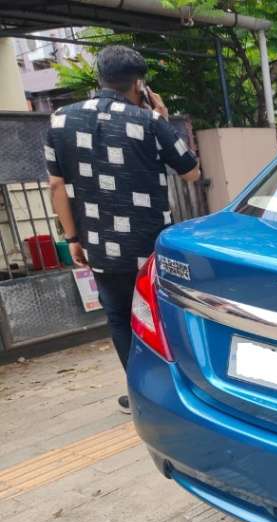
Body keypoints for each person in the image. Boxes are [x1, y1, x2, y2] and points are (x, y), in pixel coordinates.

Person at [45, 46, 200, 413]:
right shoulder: (148, 121)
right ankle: (177, 391)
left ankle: (140, 394)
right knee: (159, 312)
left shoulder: (60, 120)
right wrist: (161, 116)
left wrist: (72, 238)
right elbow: (191, 172)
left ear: (99, 78)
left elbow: (55, 185)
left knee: (118, 316)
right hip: (149, 244)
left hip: (98, 242)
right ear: (140, 83)